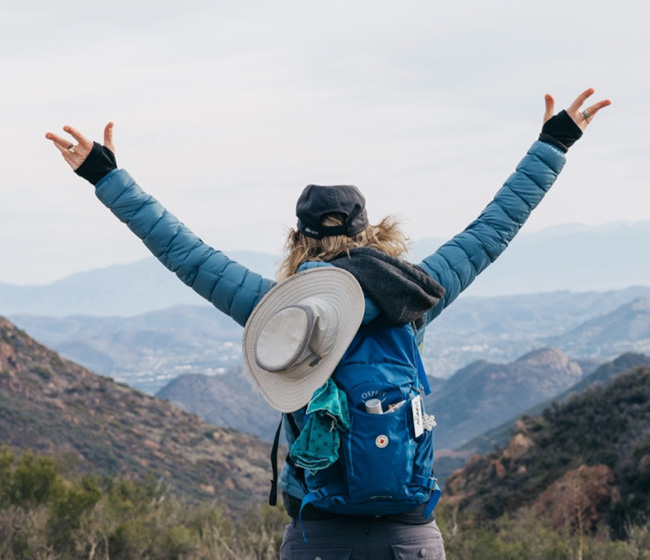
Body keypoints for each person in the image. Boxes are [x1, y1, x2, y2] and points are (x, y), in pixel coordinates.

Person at [47, 88, 610, 559]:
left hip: (319, 534)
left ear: (298, 239)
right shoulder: (414, 297)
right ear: (373, 234)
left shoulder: (275, 312)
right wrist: (553, 143)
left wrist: (106, 176)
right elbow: (491, 232)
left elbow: (185, 253)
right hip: (409, 534)